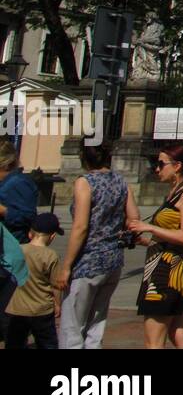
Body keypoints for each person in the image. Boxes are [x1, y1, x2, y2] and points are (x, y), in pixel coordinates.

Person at [55, 142, 139, 349]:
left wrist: (66, 266)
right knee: (96, 324)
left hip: (88, 261)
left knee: (72, 327)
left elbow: (81, 227)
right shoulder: (121, 181)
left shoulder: (85, 182)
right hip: (113, 260)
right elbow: (134, 218)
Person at [130, 145, 183, 347]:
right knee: (177, 332)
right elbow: (172, 236)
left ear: (178, 166)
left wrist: (150, 228)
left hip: (166, 275)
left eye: (161, 164)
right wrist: (147, 240)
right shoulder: (175, 191)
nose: (157, 169)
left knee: (153, 341)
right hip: (168, 268)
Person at [5, 213, 63, 349]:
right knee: (47, 343)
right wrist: (57, 304)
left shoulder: (18, 250)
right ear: (52, 236)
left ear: (30, 234)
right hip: (42, 309)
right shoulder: (51, 255)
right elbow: (56, 285)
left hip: (17, 309)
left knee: (15, 342)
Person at [0, 140, 39, 338]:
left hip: (12, 256)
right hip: (5, 255)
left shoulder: (18, 183)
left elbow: (28, 218)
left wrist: (3, 211)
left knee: (8, 319)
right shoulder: (8, 183)